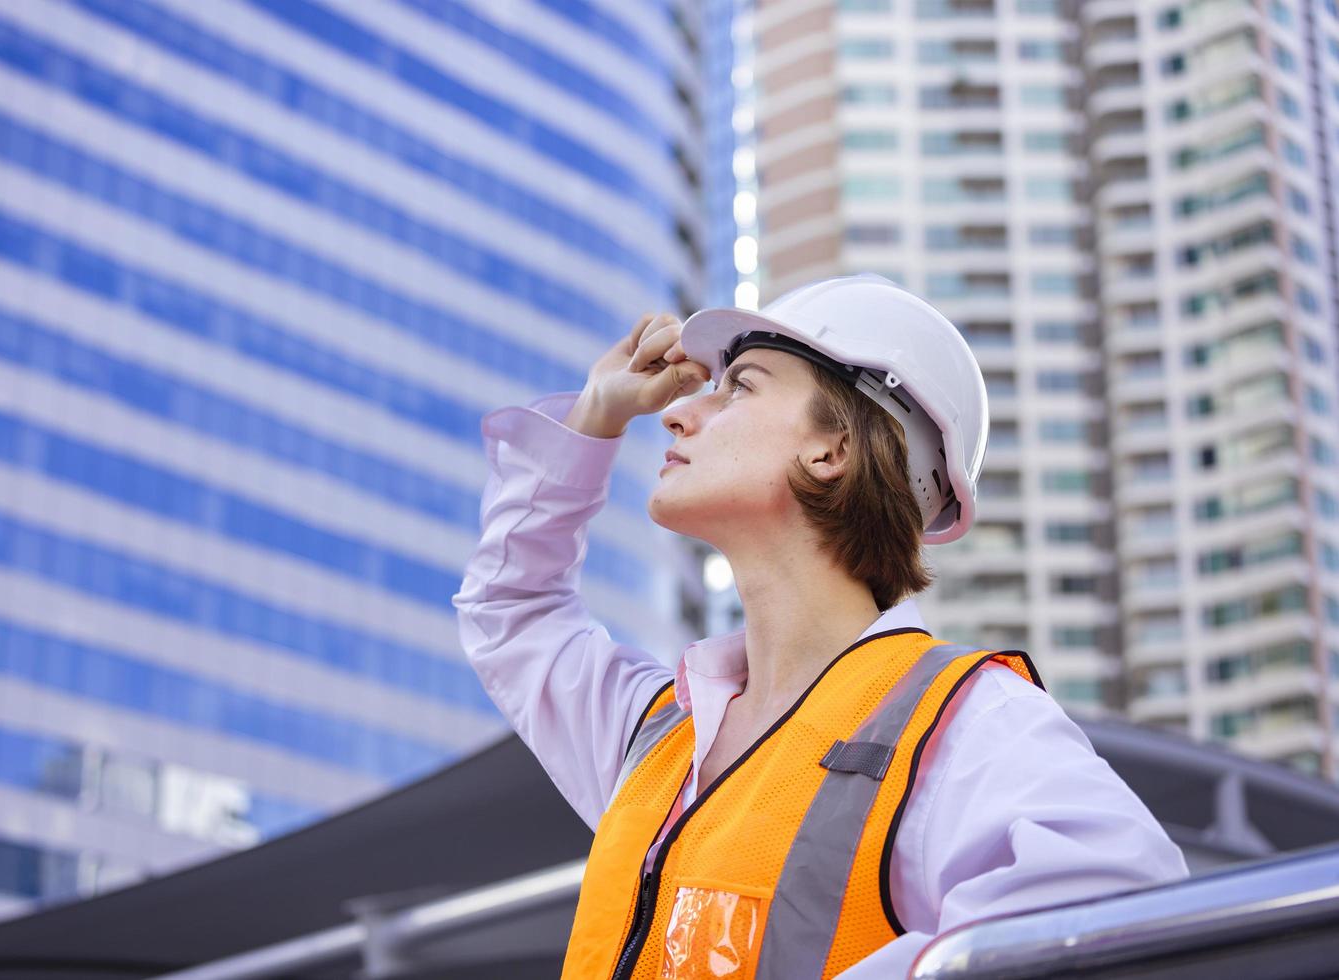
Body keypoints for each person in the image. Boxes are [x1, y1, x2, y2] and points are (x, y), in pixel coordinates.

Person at [452, 275, 1188, 978]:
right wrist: (593, 416)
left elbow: (1117, 919)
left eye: (739, 387)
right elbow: (511, 611)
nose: (678, 413)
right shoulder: (656, 738)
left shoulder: (965, 724)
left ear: (832, 450)